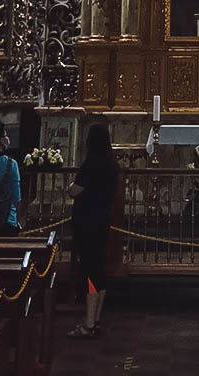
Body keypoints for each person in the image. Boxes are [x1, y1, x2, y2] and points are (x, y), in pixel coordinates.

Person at [68, 120, 119, 340]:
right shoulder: (111, 164)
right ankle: (95, 319)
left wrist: (69, 187)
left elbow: (76, 190)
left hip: (87, 222)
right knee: (99, 270)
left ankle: (88, 324)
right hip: (102, 220)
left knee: (90, 271)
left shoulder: (91, 164)